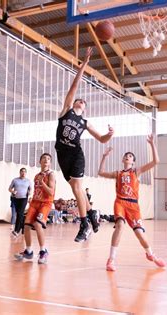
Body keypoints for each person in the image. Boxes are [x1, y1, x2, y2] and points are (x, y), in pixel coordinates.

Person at [55, 47, 114, 242]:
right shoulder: (66, 111)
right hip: (62, 155)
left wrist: (110, 134)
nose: (79, 101)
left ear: (85, 108)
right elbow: (74, 86)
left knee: (78, 189)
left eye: (83, 101)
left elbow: (101, 139)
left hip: (76, 155)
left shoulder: (85, 123)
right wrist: (84, 64)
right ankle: (92, 214)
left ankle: (84, 225)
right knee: (76, 190)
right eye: (78, 100)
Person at [98, 135, 165, 271]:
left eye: (130, 156)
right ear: (123, 159)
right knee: (120, 226)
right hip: (120, 202)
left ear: (133, 161)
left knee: (140, 234)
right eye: (126, 155)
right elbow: (100, 172)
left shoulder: (137, 171)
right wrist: (104, 157)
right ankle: (111, 259)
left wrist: (152, 144)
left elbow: (156, 161)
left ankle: (151, 254)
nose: (127, 157)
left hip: (134, 206)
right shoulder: (118, 173)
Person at [15, 153, 56, 264]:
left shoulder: (51, 175)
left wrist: (43, 183)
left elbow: (51, 192)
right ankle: (28, 251)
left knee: (38, 224)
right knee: (26, 226)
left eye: (48, 159)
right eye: (44, 158)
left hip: (45, 203)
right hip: (34, 203)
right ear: (40, 161)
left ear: (50, 162)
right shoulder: (36, 176)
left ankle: (43, 251)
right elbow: (37, 191)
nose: (46, 160)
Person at [9, 168, 33, 237]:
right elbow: (9, 188)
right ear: (20, 172)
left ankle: (17, 231)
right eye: (22, 172)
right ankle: (23, 227)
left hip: (24, 199)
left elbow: (30, 189)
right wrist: (13, 191)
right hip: (15, 199)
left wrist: (30, 192)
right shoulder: (15, 180)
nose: (23, 173)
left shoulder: (28, 181)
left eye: (24, 172)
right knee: (19, 214)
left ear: (26, 173)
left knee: (20, 214)